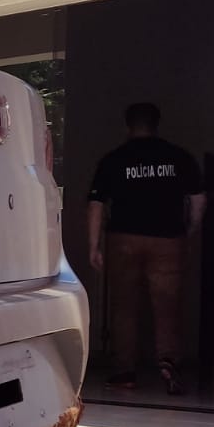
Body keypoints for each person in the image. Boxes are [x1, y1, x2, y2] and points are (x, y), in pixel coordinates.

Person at [87, 102, 205, 394]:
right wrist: (189, 229)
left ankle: (124, 371)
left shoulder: (114, 159)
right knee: (168, 304)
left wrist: (94, 245)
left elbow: (96, 204)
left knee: (124, 307)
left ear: (128, 126)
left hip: (124, 239)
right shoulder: (178, 157)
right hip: (168, 238)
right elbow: (200, 198)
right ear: (157, 124)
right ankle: (168, 362)